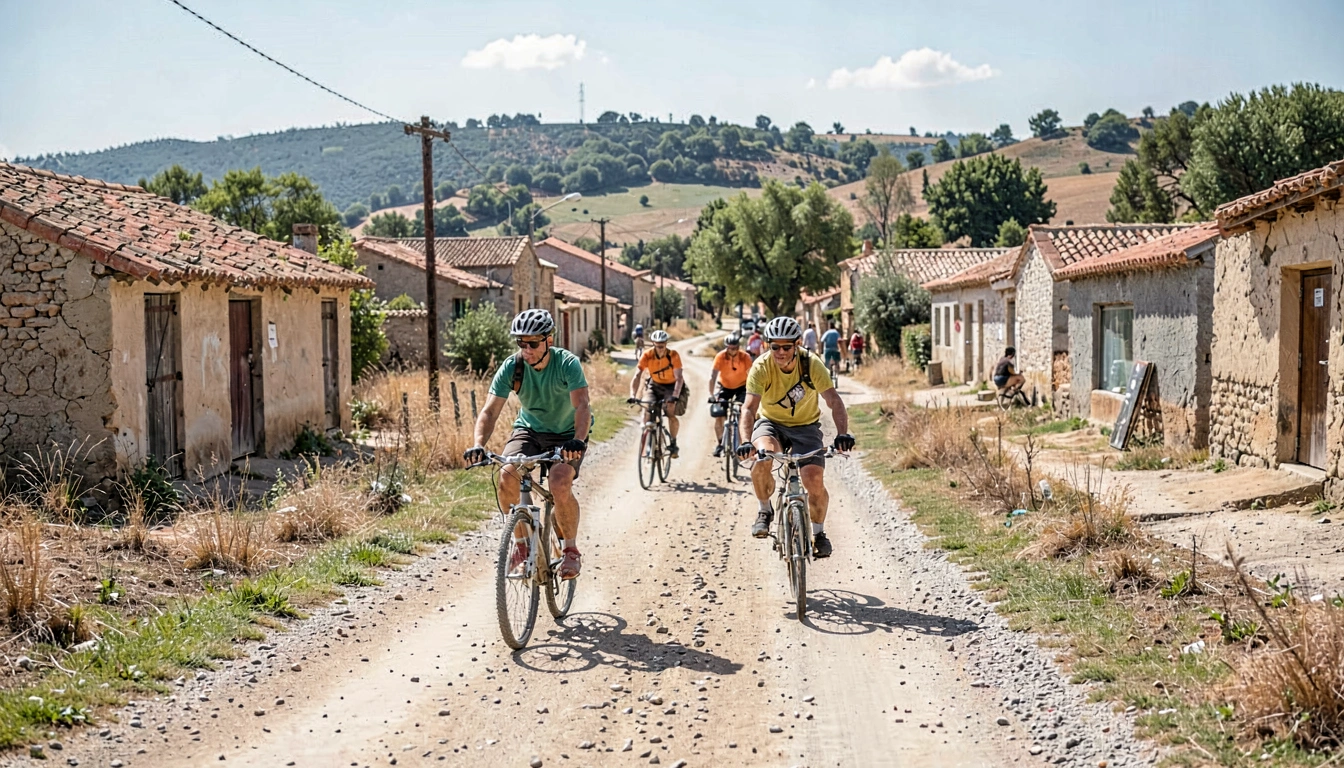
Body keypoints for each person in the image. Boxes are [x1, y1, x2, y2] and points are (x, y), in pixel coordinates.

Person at [465, 309, 590, 580]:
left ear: (549, 340)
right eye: (521, 343)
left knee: (559, 482)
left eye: (533, 343)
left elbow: (582, 405)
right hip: (529, 431)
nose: (527, 349)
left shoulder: (567, 363)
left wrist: (578, 441)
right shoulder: (513, 367)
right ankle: (522, 547)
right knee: (507, 475)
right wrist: (478, 444)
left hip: (568, 434)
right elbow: (490, 411)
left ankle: (570, 550)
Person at [736, 317, 855, 559]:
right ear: (768, 345)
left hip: (806, 426)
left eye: (786, 346)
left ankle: (819, 533)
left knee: (813, 478)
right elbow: (748, 408)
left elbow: (834, 401)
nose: (780, 352)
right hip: (771, 424)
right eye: (775, 346)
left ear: (797, 344)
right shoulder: (761, 367)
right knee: (762, 459)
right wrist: (746, 441)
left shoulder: (811, 364)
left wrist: (842, 434)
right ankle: (765, 511)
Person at [629, 329, 684, 458]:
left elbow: (679, 378)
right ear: (653, 343)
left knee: (670, 412)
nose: (660, 349)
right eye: (657, 346)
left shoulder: (673, 355)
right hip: (654, 385)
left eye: (662, 346)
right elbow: (637, 375)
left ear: (666, 344)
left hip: (670, 386)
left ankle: (673, 443)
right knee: (648, 407)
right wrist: (632, 395)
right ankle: (648, 442)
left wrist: (675, 396)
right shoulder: (647, 355)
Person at [707, 333, 751, 457]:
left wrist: (752, 393)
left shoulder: (745, 357)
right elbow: (713, 376)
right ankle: (720, 444)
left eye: (735, 348)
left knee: (744, 412)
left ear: (738, 347)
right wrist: (711, 395)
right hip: (725, 387)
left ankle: (743, 441)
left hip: (742, 387)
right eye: (730, 348)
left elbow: (752, 376)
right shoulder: (720, 357)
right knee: (719, 414)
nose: (732, 351)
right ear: (726, 347)